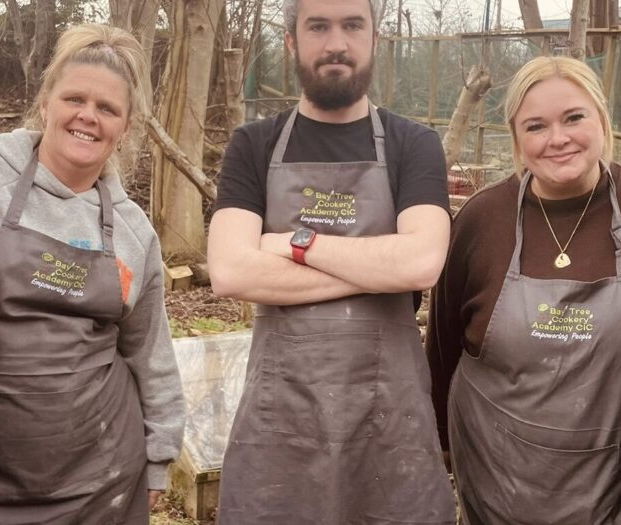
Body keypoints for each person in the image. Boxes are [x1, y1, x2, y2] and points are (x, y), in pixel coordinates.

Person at [0, 23, 184, 525]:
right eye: (75, 99)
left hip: (101, 483)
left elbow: (150, 353)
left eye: (108, 109)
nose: (89, 116)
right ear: (47, 103)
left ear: (125, 128)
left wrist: (159, 459)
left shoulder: (133, 232)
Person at [207, 0, 456, 522]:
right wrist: (373, 270)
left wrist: (296, 244)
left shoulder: (415, 144)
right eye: (318, 26)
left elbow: (421, 265)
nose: (336, 43)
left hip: (388, 422)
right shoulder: (254, 144)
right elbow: (230, 271)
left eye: (351, 25)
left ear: (374, 40)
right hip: (281, 420)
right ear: (292, 41)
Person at [426, 56, 621, 524]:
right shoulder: (483, 219)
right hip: (497, 483)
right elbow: (441, 351)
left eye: (574, 117)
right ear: (517, 139)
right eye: (536, 126)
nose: (557, 139)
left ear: (603, 120)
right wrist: (437, 448)